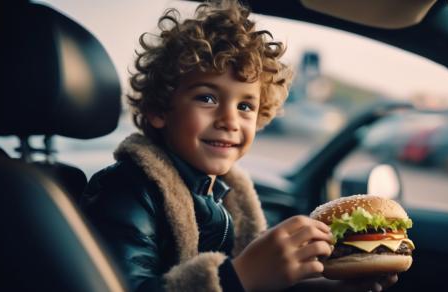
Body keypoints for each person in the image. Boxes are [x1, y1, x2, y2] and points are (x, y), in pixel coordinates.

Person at [80, 0, 398, 291]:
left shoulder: (225, 198)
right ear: (159, 110)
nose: (229, 120)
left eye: (245, 107)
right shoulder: (127, 191)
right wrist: (236, 278)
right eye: (207, 98)